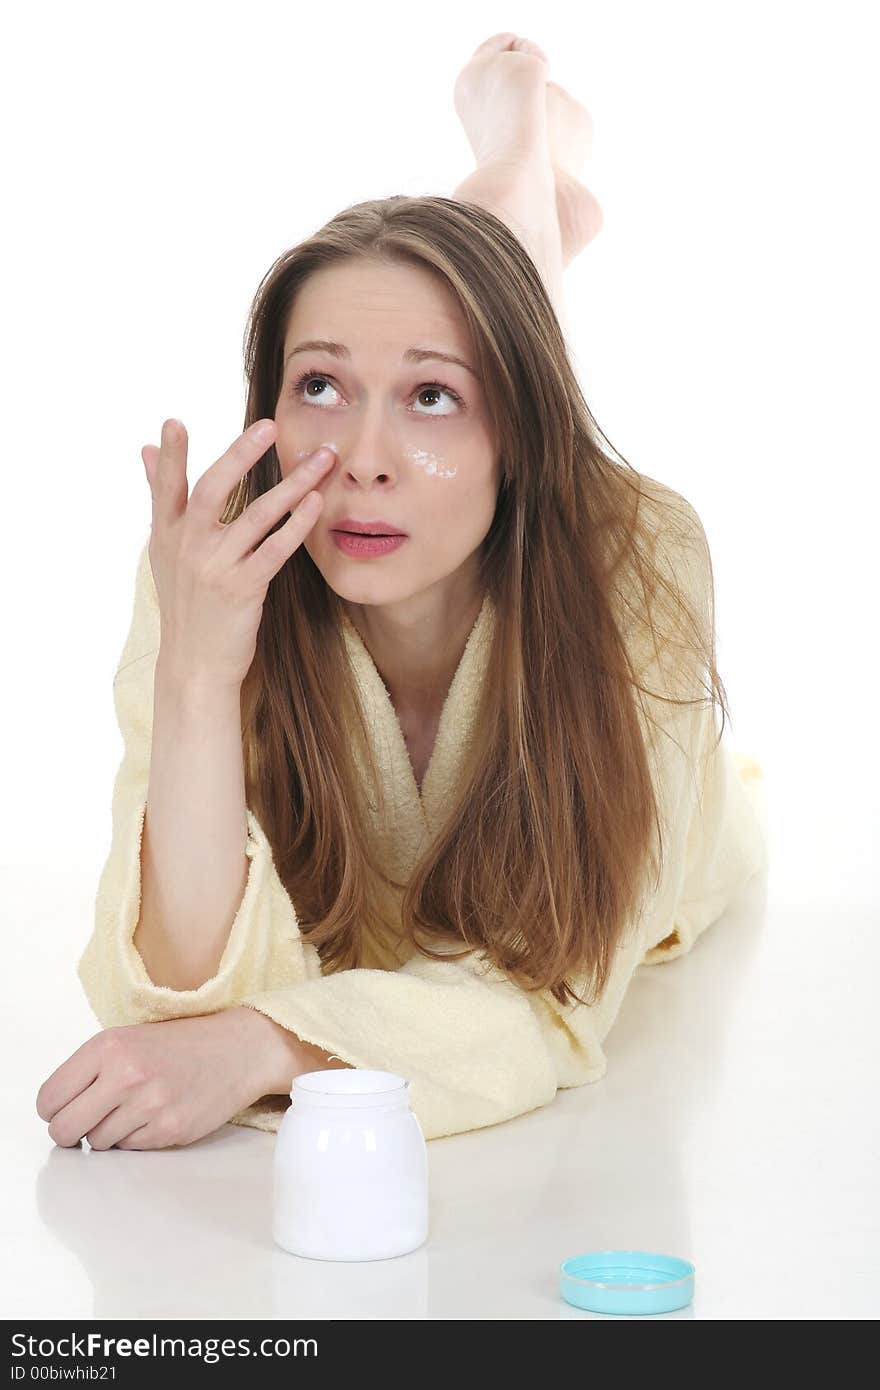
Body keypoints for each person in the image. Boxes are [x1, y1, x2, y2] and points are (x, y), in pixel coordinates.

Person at [36, 33, 768, 1151]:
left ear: (511, 432)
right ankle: (524, 212)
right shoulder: (218, 556)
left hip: (689, 839)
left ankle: (518, 176)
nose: (362, 458)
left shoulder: (642, 551)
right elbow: (169, 993)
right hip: (489, 444)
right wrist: (196, 671)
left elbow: (550, 1005)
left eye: (431, 399)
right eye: (318, 383)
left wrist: (267, 1044)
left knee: (510, 364)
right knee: (468, 326)